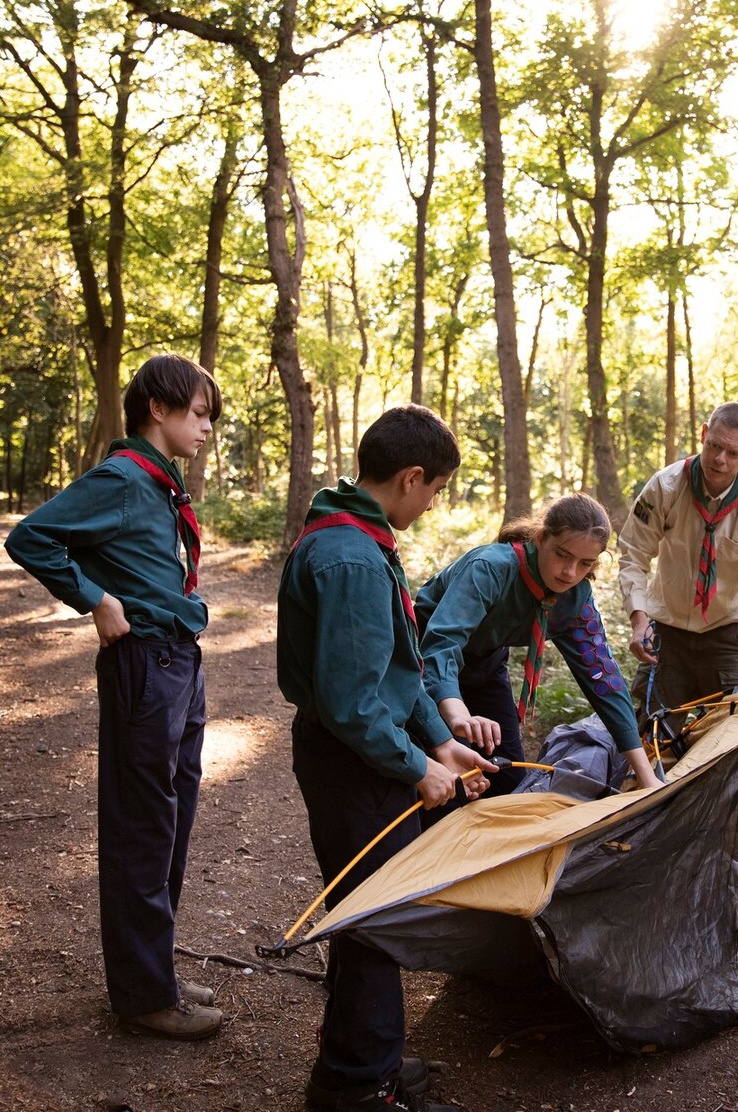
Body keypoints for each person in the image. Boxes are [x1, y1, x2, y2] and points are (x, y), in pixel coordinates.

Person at [278, 405, 495, 1112]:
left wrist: (441, 739)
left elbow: (396, 670)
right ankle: (356, 1087)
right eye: (434, 489)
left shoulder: (361, 539)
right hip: (355, 761)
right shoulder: (348, 557)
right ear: (410, 477)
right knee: (375, 918)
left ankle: (363, 1057)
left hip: (371, 751)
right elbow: (352, 704)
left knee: (368, 909)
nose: (432, 504)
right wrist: (416, 768)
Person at [4, 354, 224, 1040]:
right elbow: (31, 538)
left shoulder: (160, 486)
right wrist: (96, 599)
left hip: (179, 663)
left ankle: (152, 968)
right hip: (144, 666)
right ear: (157, 409)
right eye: (197, 412)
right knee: (142, 830)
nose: (207, 427)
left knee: (172, 823)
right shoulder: (125, 477)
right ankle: (143, 997)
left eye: (210, 416)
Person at [415, 494, 664, 799]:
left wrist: (647, 778)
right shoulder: (490, 569)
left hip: (486, 666)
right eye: (562, 555)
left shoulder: (575, 598)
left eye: (585, 564)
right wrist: (458, 715)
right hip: (419, 665)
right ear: (541, 537)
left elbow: (604, 681)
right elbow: (441, 646)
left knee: (506, 778)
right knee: (449, 779)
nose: (570, 572)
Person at [619, 402, 738, 715]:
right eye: (714, 446)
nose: (720, 460)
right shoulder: (666, 486)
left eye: (734, 453)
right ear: (703, 434)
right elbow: (633, 553)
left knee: (731, 734)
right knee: (652, 731)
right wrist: (639, 620)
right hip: (667, 626)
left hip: (729, 627)